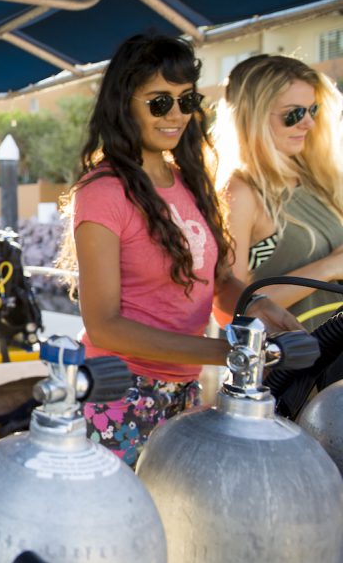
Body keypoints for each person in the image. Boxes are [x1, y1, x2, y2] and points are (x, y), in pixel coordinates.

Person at [59, 33, 299, 467]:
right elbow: (105, 325)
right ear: (124, 102)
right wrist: (231, 354)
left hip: (184, 389)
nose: (175, 115)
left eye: (186, 101)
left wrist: (259, 308)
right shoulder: (103, 192)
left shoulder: (190, 181)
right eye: (159, 102)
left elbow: (218, 281)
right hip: (118, 392)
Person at [218, 54, 343, 330]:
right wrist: (328, 268)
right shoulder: (243, 192)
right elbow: (229, 309)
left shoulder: (317, 179)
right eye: (294, 114)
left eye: (313, 110)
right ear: (255, 117)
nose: (308, 123)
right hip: (295, 366)